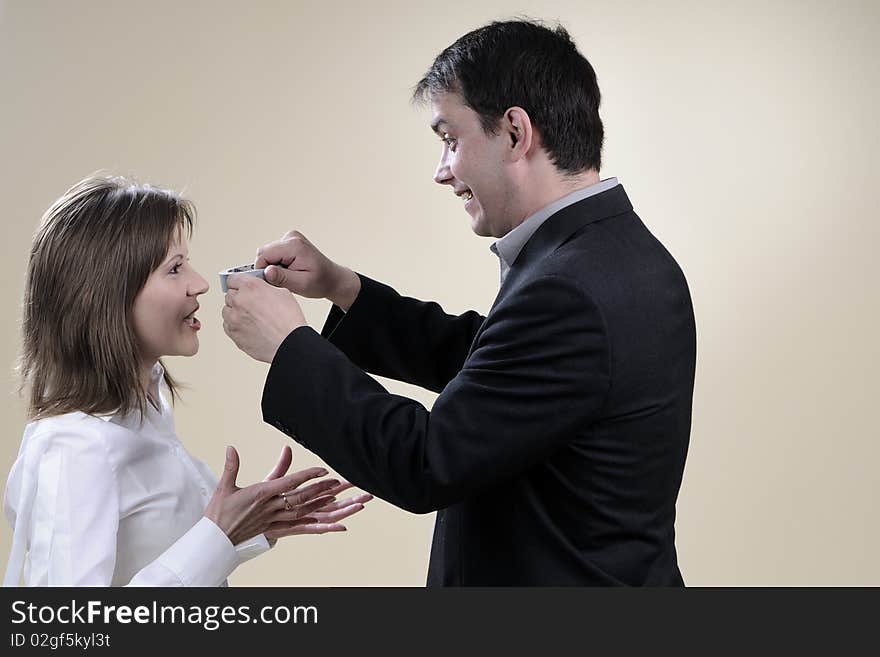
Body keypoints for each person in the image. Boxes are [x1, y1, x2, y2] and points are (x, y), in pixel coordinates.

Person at [222, 19, 696, 586]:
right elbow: (499, 370)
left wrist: (289, 347)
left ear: (516, 133)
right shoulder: (618, 252)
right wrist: (341, 287)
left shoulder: (567, 287)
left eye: (451, 140)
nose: (442, 171)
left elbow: (427, 463)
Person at [3, 175, 371, 587]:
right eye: (175, 268)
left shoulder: (145, 410)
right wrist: (219, 536)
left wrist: (246, 529)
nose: (199, 284)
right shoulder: (72, 450)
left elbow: (156, 555)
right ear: (107, 295)